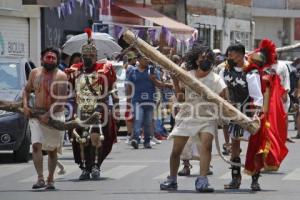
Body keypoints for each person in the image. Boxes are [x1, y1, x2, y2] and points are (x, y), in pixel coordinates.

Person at [160, 45, 227, 192]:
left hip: (207, 117)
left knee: (207, 146)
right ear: (196, 60)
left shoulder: (216, 79)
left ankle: (202, 180)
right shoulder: (187, 75)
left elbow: (225, 99)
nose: (206, 61)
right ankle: (172, 179)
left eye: (209, 58)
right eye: (202, 58)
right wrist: (175, 82)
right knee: (176, 150)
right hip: (187, 116)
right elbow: (181, 98)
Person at [65, 28, 118, 180]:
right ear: (81, 56)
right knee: (81, 139)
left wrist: (114, 103)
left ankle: (95, 166)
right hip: (80, 108)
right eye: (85, 55)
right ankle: (85, 167)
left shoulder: (105, 68)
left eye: (91, 55)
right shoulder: (75, 69)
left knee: (96, 138)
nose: (88, 57)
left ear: (96, 56)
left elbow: (111, 87)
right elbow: (68, 87)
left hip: (99, 108)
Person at [219, 43, 264, 191]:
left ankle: (255, 179)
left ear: (240, 55)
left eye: (231, 55)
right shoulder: (224, 71)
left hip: (249, 114)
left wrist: (255, 116)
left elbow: (257, 97)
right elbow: (220, 91)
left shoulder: (251, 72)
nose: (229, 58)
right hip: (233, 114)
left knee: (254, 148)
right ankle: (235, 179)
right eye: (228, 55)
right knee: (235, 148)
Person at [23, 47, 68, 189]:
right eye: (47, 57)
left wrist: (48, 115)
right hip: (36, 114)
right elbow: (26, 90)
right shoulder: (34, 73)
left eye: (53, 58)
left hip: (55, 116)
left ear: (57, 60)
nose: (50, 60)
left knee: (52, 150)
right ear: (42, 59)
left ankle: (50, 179)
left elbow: (61, 100)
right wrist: (25, 106)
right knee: (36, 146)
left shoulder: (61, 76)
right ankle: (40, 178)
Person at [127, 53, 172, 149]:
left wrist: (154, 79)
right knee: (138, 119)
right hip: (137, 101)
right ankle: (135, 139)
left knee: (148, 122)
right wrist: (128, 102)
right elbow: (129, 88)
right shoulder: (132, 72)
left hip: (150, 101)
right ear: (138, 59)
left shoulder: (152, 71)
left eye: (148, 59)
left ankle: (147, 141)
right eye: (145, 58)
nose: (147, 61)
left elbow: (159, 85)